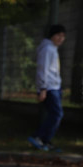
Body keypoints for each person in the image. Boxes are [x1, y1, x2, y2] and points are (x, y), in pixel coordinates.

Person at [28, 24, 67, 152]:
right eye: (58, 35)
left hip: (54, 87)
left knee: (54, 114)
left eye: (63, 36)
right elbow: (42, 69)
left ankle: (45, 140)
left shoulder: (52, 49)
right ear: (52, 35)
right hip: (49, 88)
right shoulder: (47, 49)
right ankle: (39, 137)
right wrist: (43, 88)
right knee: (57, 114)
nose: (61, 38)